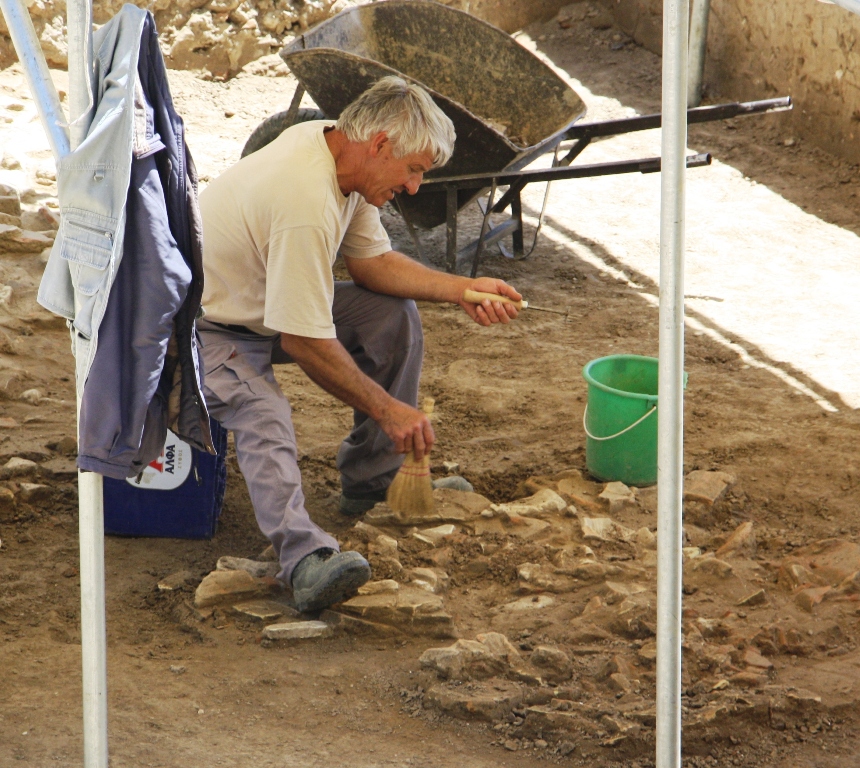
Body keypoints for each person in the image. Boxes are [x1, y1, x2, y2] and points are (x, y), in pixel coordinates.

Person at [197, 76, 521, 613]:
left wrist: (462, 289)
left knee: (390, 315)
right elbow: (304, 340)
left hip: (263, 306)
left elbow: (371, 266)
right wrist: (388, 409)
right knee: (263, 411)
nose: (416, 186)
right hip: (209, 325)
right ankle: (302, 558)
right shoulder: (305, 199)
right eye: (414, 169)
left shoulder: (336, 153)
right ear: (380, 146)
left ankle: (375, 480)